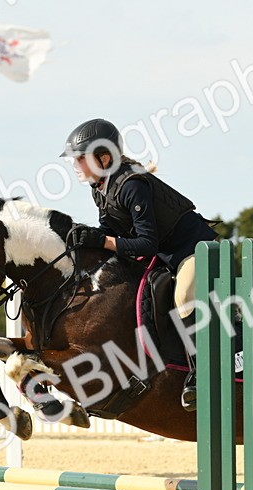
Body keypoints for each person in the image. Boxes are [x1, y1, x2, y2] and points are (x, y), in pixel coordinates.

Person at [59, 118, 217, 411]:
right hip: (163, 255)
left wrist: (102, 241)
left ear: (104, 158)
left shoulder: (132, 185)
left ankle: (201, 373)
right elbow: (113, 235)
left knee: (183, 297)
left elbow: (146, 243)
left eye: (81, 158)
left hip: (192, 250)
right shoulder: (100, 187)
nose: (75, 165)